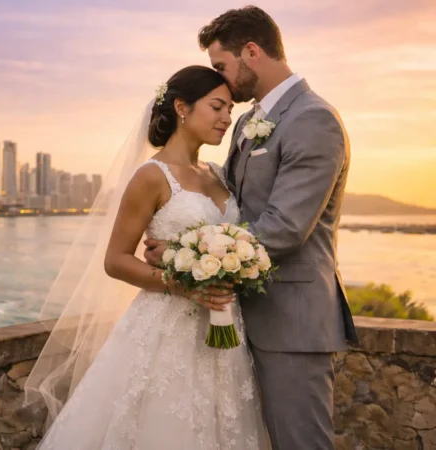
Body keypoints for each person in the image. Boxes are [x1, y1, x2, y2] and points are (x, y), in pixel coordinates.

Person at [143, 6, 359, 449]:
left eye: (221, 65)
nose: (220, 77)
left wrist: (186, 255)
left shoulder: (313, 119)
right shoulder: (247, 122)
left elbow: (284, 228)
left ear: (252, 52)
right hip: (240, 321)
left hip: (291, 323)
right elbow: (227, 203)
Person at [24, 65, 271, 449]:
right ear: (182, 107)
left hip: (226, 330)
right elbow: (116, 259)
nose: (227, 119)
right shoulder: (152, 176)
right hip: (167, 327)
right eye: (218, 107)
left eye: (230, 111)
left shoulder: (219, 174)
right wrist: (181, 284)